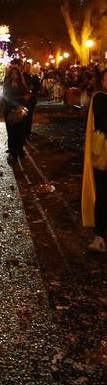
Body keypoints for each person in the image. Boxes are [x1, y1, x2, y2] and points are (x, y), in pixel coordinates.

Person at [81, 67, 107, 253]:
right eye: (106, 79)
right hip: (104, 153)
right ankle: (100, 237)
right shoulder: (100, 98)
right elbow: (103, 123)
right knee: (103, 194)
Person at [2, 66, 31, 160]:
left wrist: (22, 100)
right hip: (9, 111)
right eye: (12, 73)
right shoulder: (7, 85)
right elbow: (6, 98)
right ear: (10, 75)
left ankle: (20, 149)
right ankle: (12, 151)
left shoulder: (23, 86)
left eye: (16, 73)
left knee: (20, 131)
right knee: (11, 132)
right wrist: (20, 98)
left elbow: (27, 97)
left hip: (20, 111)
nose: (14, 75)